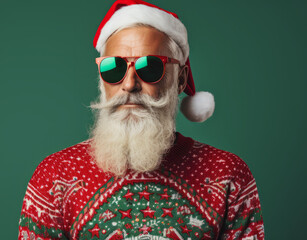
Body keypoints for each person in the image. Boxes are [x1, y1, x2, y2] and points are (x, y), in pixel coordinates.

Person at [17, 0, 264, 239]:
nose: (129, 84)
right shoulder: (54, 178)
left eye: (150, 68)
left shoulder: (228, 176)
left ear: (180, 79)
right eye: (114, 68)